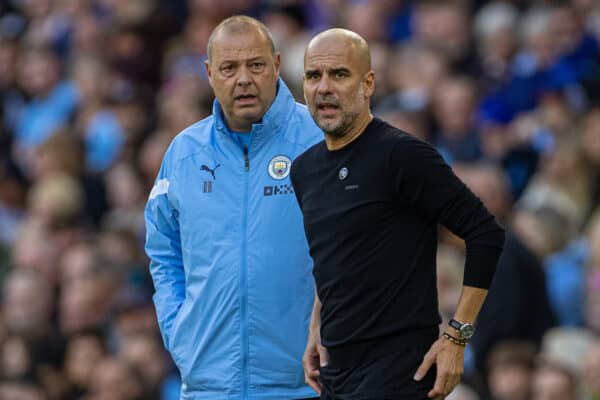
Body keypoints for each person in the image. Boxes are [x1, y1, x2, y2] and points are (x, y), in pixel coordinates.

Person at [290, 29, 505, 399]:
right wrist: (315, 328)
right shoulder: (304, 170)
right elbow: (334, 257)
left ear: (368, 82)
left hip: (400, 372)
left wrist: (457, 336)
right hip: (335, 374)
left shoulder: (402, 156)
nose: (324, 87)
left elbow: (485, 233)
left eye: (339, 74)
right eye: (314, 76)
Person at [144, 16, 322, 399]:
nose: (243, 79)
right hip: (209, 386)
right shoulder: (184, 153)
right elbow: (163, 249)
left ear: (276, 66)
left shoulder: (321, 140)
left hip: (307, 385)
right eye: (229, 68)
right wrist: (180, 334)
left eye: (255, 65)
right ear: (209, 73)